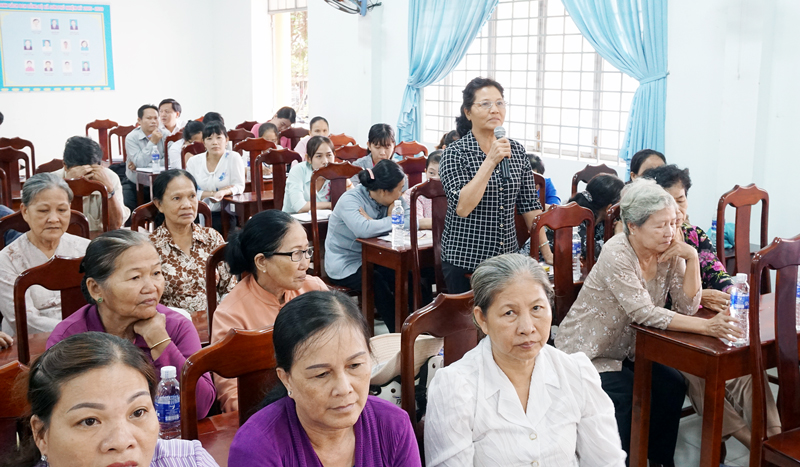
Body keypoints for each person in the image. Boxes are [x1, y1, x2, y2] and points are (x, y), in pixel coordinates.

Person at [555, 178, 742, 466]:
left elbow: (686, 306)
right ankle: (625, 461)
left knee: (672, 384)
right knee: (627, 393)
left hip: (631, 350)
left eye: (673, 224)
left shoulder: (671, 250)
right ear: (633, 226)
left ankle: (660, 460)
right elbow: (644, 312)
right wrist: (707, 326)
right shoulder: (617, 253)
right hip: (589, 351)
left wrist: (691, 258)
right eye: (660, 225)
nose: (669, 233)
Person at [425, 254, 626, 466]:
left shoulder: (576, 373)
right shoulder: (456, 388)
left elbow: (607, 461)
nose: (527, 328)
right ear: (482, 319)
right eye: (510, 313)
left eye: (537, 308)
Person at [643, 164, 782, 449]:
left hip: (704, 329)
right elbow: (651, 304)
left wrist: (731, 290)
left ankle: (774, 437)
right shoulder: (647, 242)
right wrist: (700, 295)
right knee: (699, 372)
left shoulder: (694, 235)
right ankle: (756, 446)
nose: (677, 211)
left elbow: (717, 273)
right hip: (666, 334)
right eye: (669, 203)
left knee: (745, 367)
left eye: (681, 201)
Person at [228, 291, 420, 466]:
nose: (344, 388)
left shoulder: (394, 426)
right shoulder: (257, 449)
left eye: (354, 365)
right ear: (286, 379)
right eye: (322, 374)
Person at [46, 230, 216, 419]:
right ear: (96, 288)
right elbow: (59, 415)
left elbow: (201, 407)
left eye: (156, 273)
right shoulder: (69, 339)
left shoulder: (176, 327)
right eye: (135, 277)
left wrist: (159, 341)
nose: (151, 287)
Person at [2, 332, 219, 467]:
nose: (122, 442)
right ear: (41, 435)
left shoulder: (189, 461)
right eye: (89, 421)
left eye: (138, 412)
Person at [439, 77, 547, 294]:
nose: (494, 110)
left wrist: (547, 250)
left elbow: (529, 206)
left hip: (507, 261)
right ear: (468, 112)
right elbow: (463, 207)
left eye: (499, 103)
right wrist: (490, 161)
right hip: (465, 260)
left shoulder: (515, 150)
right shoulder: (454, 153)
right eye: (485, 104)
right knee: (469, 327)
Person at [212, 210, 327, 412]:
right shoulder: (231, 315)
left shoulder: (314, 289)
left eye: (307, 251)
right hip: (268, 415)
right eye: (295, 254)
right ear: (262, 262)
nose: (305, 264)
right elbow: (232, 397)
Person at [325, 160, 413, 333]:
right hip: (345, 263)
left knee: (406, 274)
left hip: (377, 257)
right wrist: (390, 221)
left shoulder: (393, 198)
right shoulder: (350, 199)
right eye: (399, 189)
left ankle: (422, 329)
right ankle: (400, 335)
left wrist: (375, 223)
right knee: (377, 282)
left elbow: (412, 221)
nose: (402, 194)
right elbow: (363, 230)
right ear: (383, 191)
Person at [0, 174, 90, 337]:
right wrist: (79, 331)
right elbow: (25, 321)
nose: (54, 219)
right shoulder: (7, 259)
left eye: (62, 210)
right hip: (31, 342)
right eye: (43, 210)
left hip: (88, 338)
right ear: (25, 211)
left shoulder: (86, 249)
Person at [151, 170, 235, 314]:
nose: (187, 205)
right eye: (177, 198)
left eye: (192, 196)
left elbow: (229, 287)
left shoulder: (212, 237)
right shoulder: (150, 247)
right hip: (173, 327)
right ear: (159, 204)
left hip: (216, 321)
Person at [521, 173, 624, 260]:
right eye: (619, 204)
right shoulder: (576, 218)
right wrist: (618, 235)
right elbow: (599, 255)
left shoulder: (601, 221)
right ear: (609, 208)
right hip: (535, 266)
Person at [54, 136, 129, 231]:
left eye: (90, 171)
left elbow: (115, 225)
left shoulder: (110, 177)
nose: (85, 177)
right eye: (80, 171)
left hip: (100, 240)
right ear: (65, 165)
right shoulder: (52, 181)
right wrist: (69, 185)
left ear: (100, 165)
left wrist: (109, 190)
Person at [185, 122, 245, 233]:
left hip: (224, 212)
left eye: (219, 138)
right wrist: (213, 194)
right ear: (203, 142)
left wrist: (225, 192)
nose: (215, 142)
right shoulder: (194, 162)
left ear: (226, 140)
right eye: (209, 138)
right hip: (197, 212)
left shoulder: (233, 158)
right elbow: (189, 191)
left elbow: (239, 186)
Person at [124, 104, 165, 213]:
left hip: (160, 183)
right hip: (136, 184)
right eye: (149, 118)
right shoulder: (131, 138)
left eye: (156, 118)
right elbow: (140, 163)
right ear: (139, 120)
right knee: (128, 204)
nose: (153, 121)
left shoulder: (165, 135)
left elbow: (171, 161)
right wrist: (152, 142)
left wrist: (150, 163)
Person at [283, 136, 336, 214]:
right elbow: (300, 207)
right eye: (319, 156)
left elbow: (353, 202)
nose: (325, 161)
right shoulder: (298, 170)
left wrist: (345, 178)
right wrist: (330, 205)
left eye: (329, 155)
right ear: (308, 159)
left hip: (325, 221)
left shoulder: (335, 172)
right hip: (294, 221)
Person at [400, 150, 441, 230]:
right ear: (425, 172)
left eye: (441, 174)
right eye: (431, 173)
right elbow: (418, 222)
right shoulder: (415, 193)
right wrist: (450, 222)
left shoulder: (455, 192)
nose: (436, 178)